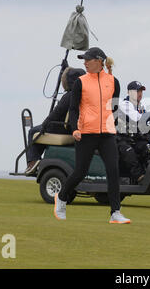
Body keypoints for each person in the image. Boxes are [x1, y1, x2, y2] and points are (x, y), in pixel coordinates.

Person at [54, 47, 131, 224]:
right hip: (86, 133)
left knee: (113, 171)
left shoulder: (113, 81)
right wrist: (74, 128)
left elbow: (115, 106)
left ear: (99, 61)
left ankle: (115, 212)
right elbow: (73, 108)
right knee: (80, 172)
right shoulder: (80, 82)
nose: (85, 63)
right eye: (84, 60)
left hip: (107, 133)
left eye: (88, 60)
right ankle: (62, 198)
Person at [25, 67, 85, 174]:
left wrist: (45, 123)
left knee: (33, 131)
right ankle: (37, 160)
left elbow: (56, 113)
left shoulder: (69, 96)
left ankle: (32, 162)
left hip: (60, 127)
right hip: (72, 129)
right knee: (40, 132)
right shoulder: (84, 95)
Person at [117, 81, 150, 183]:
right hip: (120, 139)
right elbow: (137, 118)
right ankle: (140, 178)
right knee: (129, 152)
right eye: (137, 91)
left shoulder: (141, 108)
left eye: (141, 91)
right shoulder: (125, 105)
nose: (140, 94)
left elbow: (146, 126)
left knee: (148, 148)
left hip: (134, 139)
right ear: (129, 92)